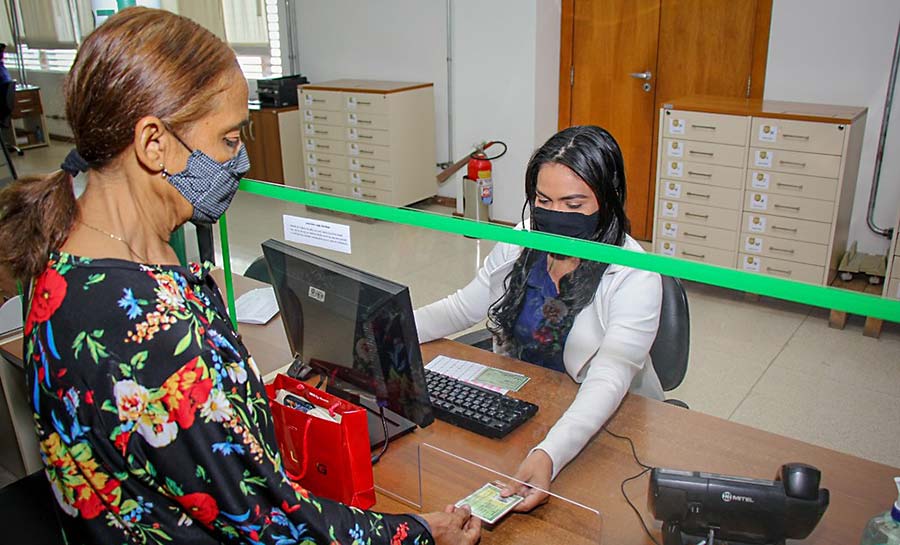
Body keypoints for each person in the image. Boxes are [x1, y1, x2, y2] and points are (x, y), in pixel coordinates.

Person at [0, 8, 480, 545]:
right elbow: (268, 523)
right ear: (153, 142)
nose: (243, 160)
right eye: (229, 140)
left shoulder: (83, 245)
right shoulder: (140, 325)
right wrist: (418, 533)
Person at [414, 125, 664, 511]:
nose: (555, 215)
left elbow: (608, 378)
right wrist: (386, 325)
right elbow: (463, 307)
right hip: (528, 404)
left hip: (606, 422)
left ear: (608, 200)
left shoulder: (634, 274)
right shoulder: (525, 239)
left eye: (574, 205)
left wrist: (549, 453)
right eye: (543, 200)